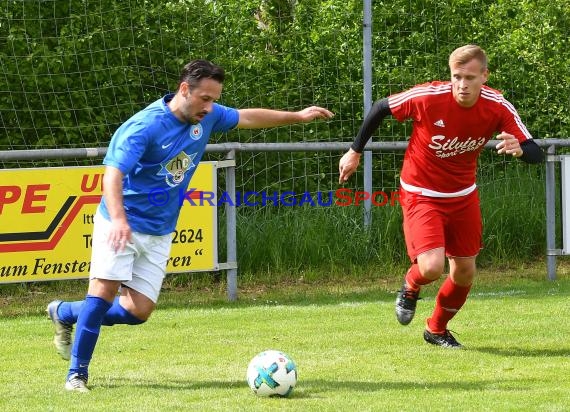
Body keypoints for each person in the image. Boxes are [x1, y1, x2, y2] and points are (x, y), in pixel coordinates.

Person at [47, 59, 334, 392]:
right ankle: (77, 375)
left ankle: (65, 312)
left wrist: (296, 116)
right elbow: (112, 174)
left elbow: (247, 116)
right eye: (205, 99)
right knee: (102, 292)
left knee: (138, 311)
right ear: (185, 89)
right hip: (120, 221)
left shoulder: (207, 116)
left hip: (159, 229)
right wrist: (120, 220)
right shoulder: (144, 127)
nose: (210, 107)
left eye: (214, 99)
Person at [338, 44, 543, 349]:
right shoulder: (428, 97)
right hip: (421, 192)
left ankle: (436, 329)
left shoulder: (497, 105)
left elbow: (536, 152)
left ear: (484, 76)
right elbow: (381, 107)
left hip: (463, 195)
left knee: (464, 272)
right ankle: (411, 284)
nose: (462, 84)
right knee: (432, 267)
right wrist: (354, 152)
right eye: (456, 76)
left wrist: (519, 150)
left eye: (470, 77)